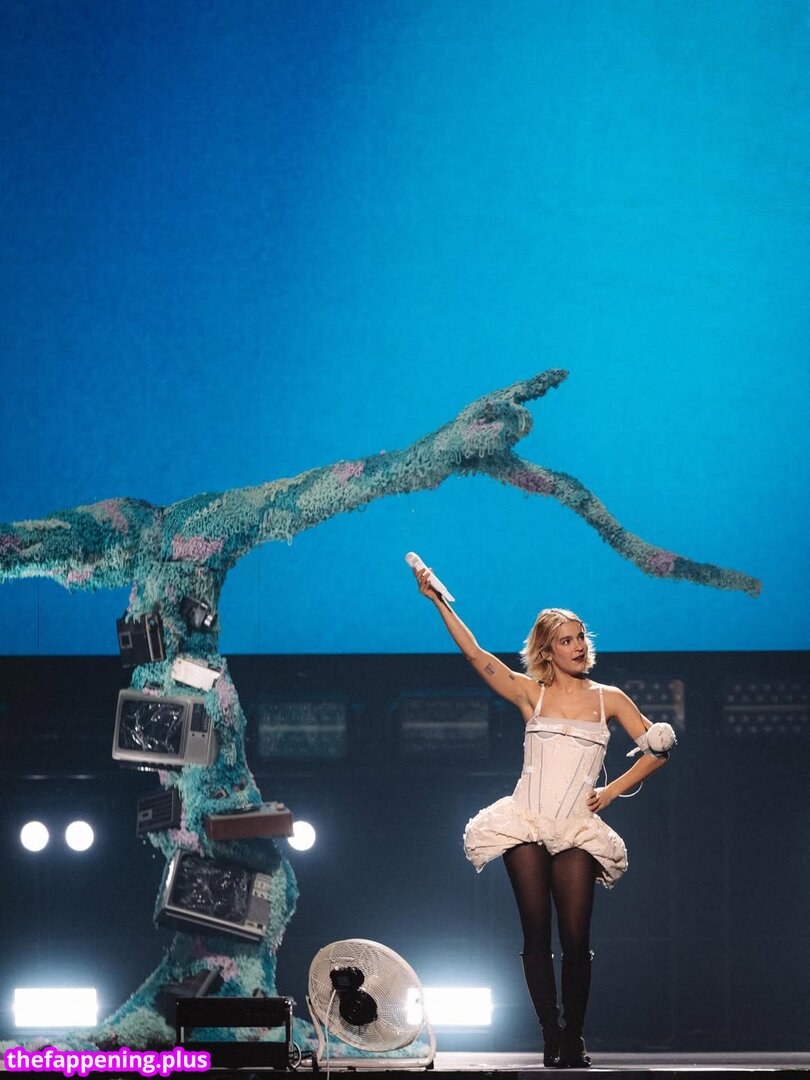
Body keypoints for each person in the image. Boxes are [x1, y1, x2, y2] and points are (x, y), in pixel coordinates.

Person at [413, 566, 672, 1068]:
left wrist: (612, 790)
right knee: (536, 932)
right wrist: (438, 601)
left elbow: (659, 748)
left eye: (580, 637)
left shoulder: (609, 698)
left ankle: (574, 1036)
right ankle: (550, 1034)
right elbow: (476, 655)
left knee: (576, 939)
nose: (577, 646)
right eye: (565, 641)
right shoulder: (533, 693)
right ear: (547, 651)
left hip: (576, 827)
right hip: (527, 821)